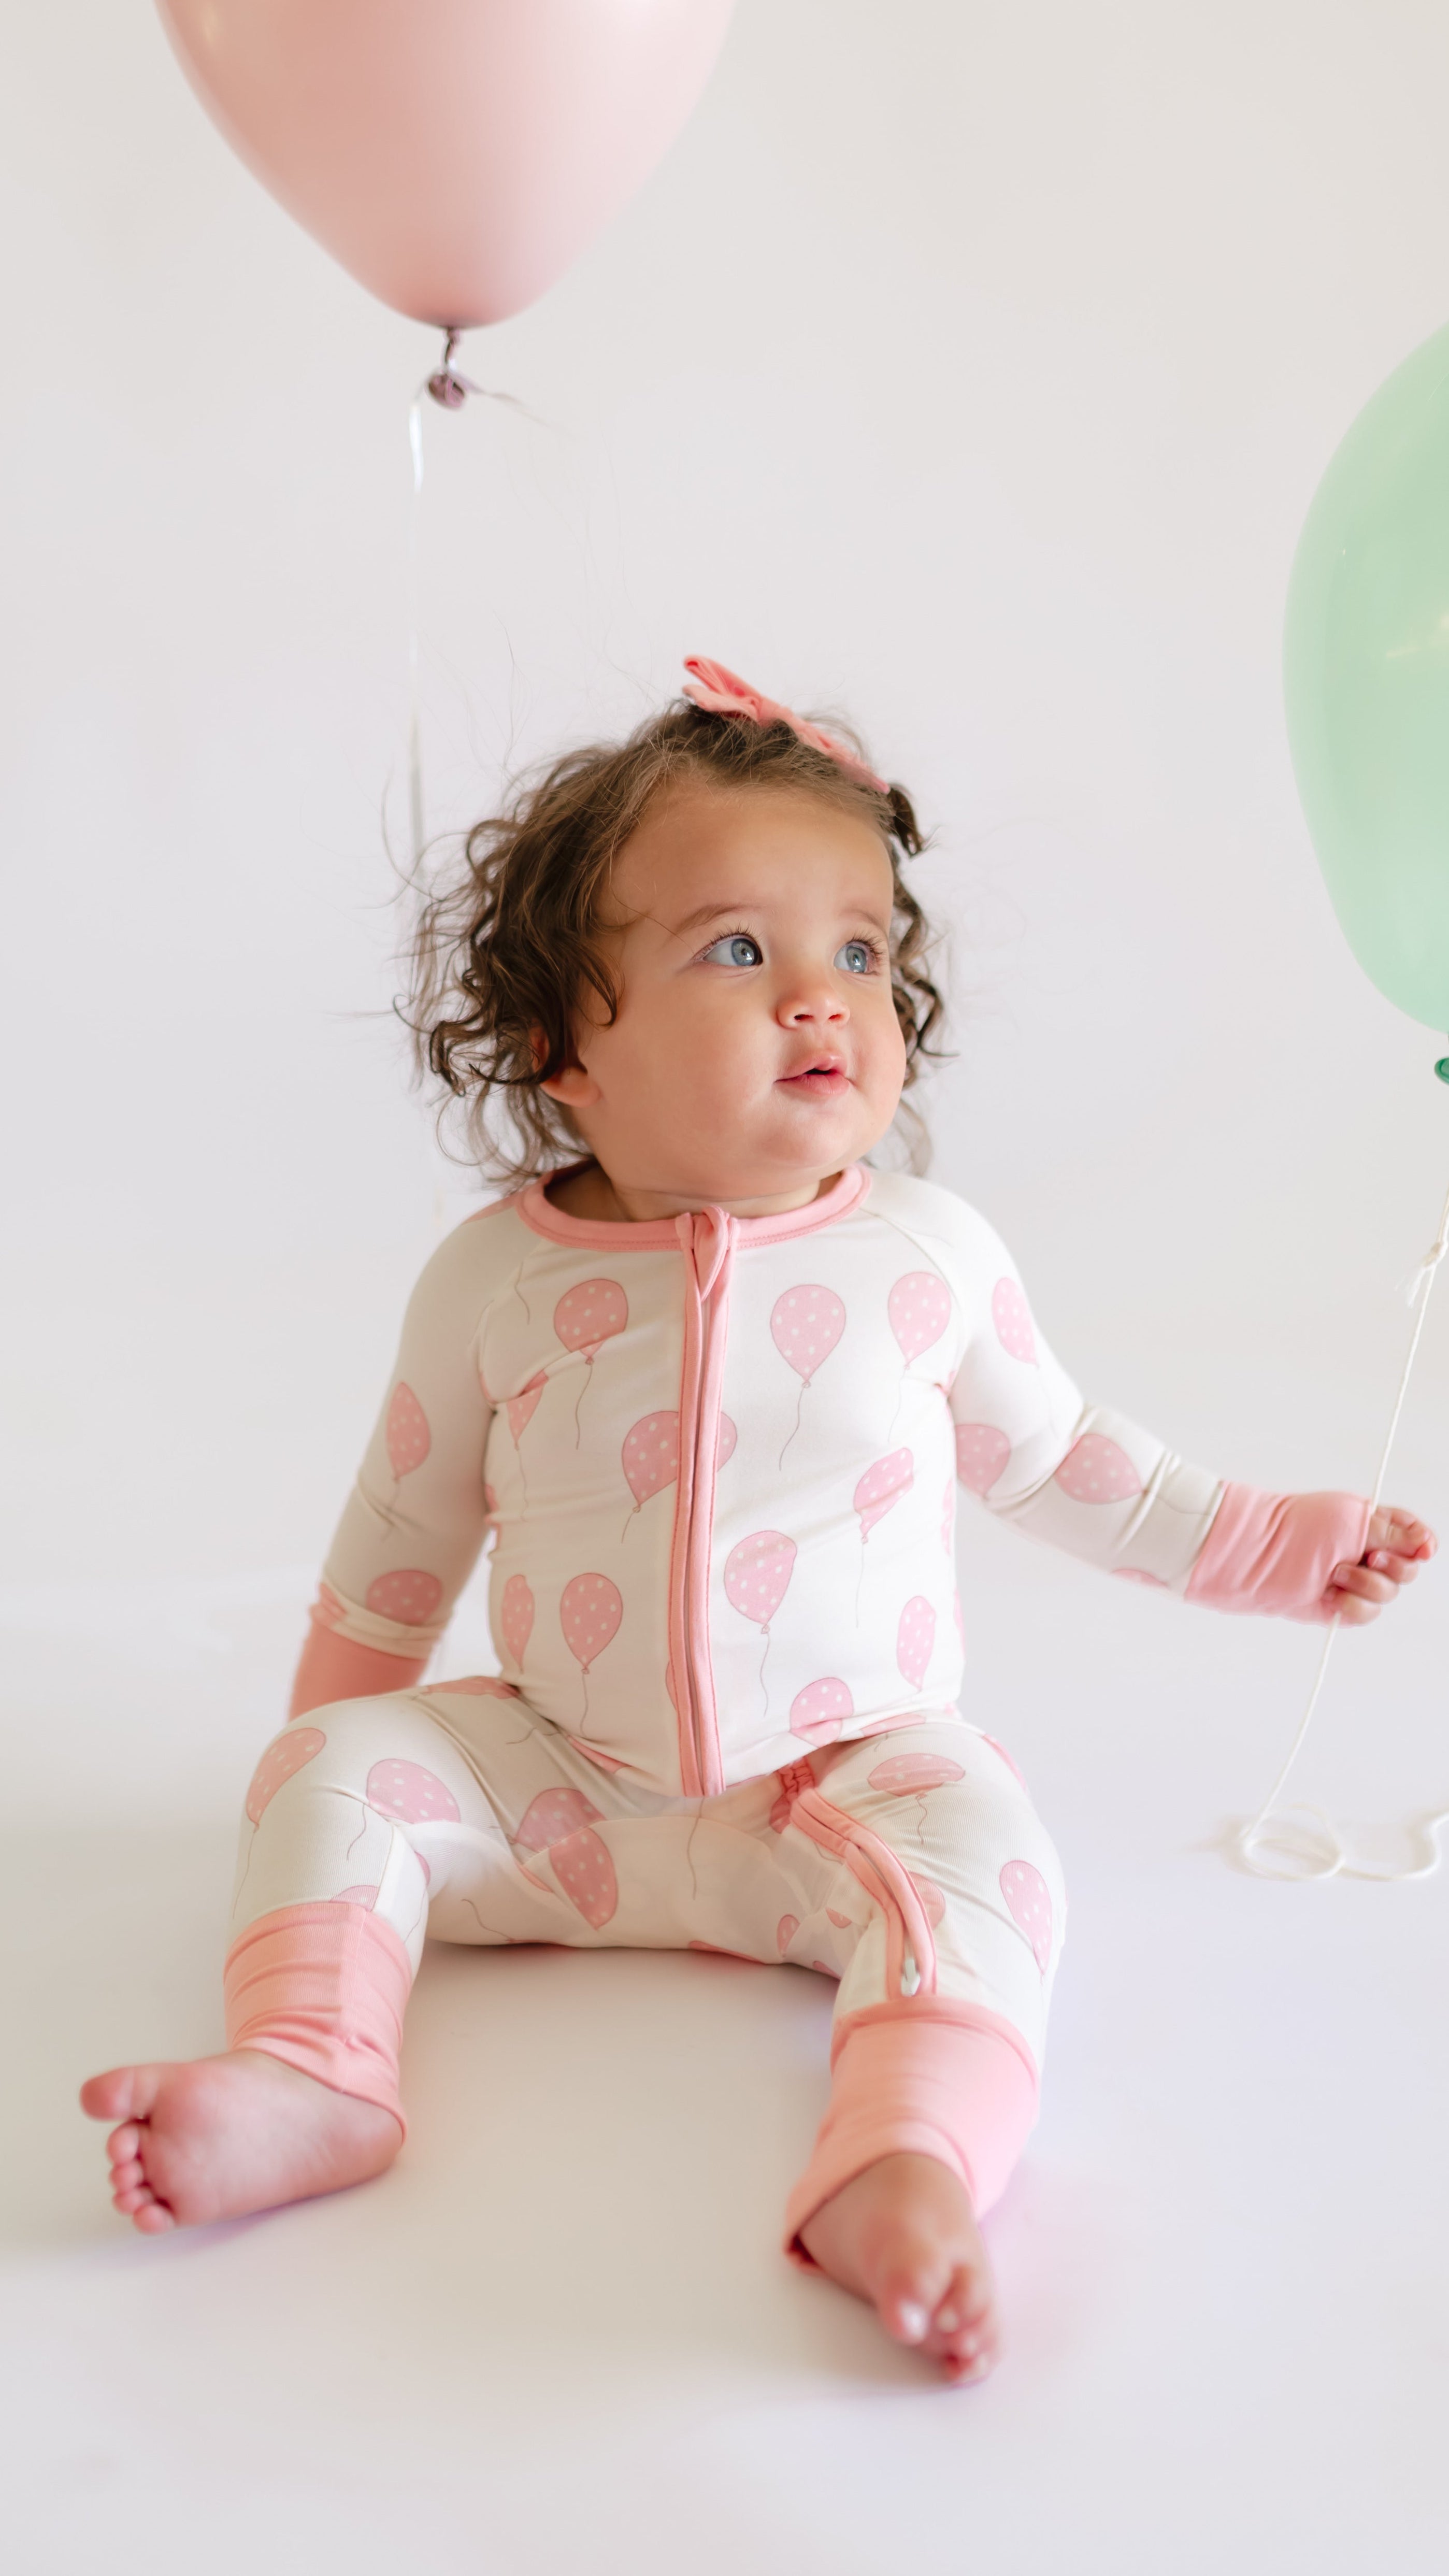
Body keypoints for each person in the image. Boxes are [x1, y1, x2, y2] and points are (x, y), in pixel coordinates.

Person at [81, 659, 1435, 2384]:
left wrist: (1275, 1545)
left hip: (839, 1787)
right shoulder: (493, 1281)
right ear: (563, 1045)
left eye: (860, 951)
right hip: (557, 1790)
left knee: (995, 1851)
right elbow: (400, 1528)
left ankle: (901, 2159)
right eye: (738, 949)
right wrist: (310, 1762)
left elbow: (1068, 1459)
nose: (821, 997)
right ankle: (310, 2073)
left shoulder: (925, 1256)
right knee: (340, 1771)